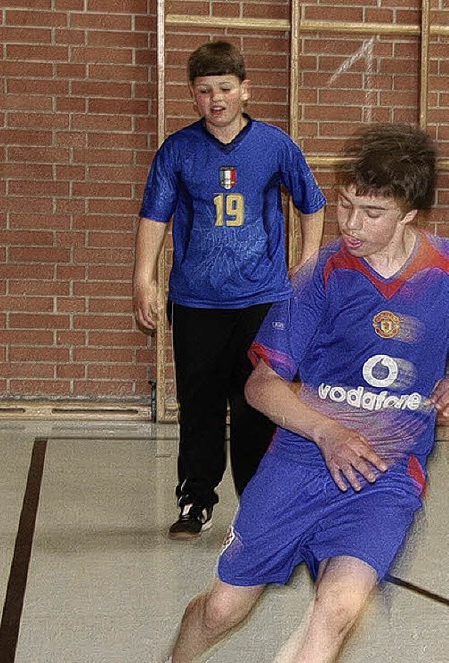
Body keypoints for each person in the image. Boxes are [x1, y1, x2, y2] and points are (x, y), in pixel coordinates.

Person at [138, 122, 449, 663]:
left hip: (387, 477)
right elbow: (261, 389)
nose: (352, 223)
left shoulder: (445, 275)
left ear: (411, 214)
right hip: (302, 464)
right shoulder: (322, 277)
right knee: (221, 610)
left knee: (339, 609)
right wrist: (329, 429)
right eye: (344, 205)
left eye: (372, 212)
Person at [133, 41, 326, 539]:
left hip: (261, 299)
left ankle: (257, 507)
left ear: (245, 89)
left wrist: (306, 265)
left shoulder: (274, 145)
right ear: (193, 96)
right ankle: (196, 499)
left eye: (224, 88)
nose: (215, 98)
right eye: (204, 90)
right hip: (196, 301)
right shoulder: (177, 150)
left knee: (256, 402)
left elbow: (312, 202)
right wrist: (144, 278)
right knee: (198, 403)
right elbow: (154, 216)